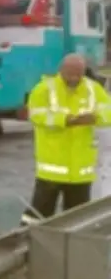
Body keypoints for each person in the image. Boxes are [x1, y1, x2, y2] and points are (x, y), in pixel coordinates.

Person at [20, 53, 111, 226]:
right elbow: (37, 115)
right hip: (52, 169)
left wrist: (95, 117)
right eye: (70, 74)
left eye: (79, 74)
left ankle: (71, 250)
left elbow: (109, 111)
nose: (74, 78)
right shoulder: (44, 89)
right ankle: (25, 245)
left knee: (76, 220)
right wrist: (66, 120)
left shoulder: (93, 89)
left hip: (81, 172)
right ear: (61, 70)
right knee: (37, 216)